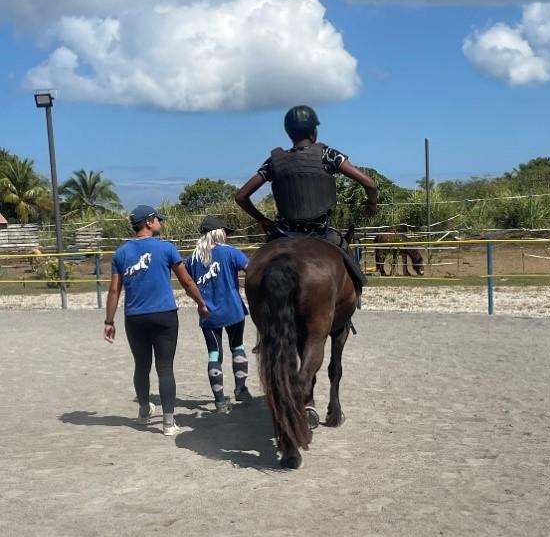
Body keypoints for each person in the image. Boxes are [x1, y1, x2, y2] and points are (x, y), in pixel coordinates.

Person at [234, 104, 378, 288]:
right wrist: (371, 204)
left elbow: (241, 196)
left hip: (283, 233)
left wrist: (262, 219)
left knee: (260, 264)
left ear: (289, 133)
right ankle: (354, 296)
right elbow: (370, 184)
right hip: (320, 232)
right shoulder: (328, 155)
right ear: (313, 132)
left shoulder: (273, 162)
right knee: (349, 263)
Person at [104, 205, 209, 435]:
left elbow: (114, 291)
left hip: (135, 318)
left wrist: (109, 321)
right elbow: (187, 282)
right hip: (164, 315)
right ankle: (169, 423)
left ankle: (144, 411)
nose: (161, 223)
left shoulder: (121, 253)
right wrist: (201, 303)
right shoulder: (167, 249)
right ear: (149, 222)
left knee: (142, 366)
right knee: (165, 367)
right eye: (158, 219)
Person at [185, 216, 251, 414]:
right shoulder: (230, 253)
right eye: (225, 232)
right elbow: (252, 270)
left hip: (208, 314)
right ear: (218, 233)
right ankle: (240, 390)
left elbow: (189, 286)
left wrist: (200, 303)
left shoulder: (192, 259)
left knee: (214, 353)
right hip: (233, 310)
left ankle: (220, 401)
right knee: (237, 346)